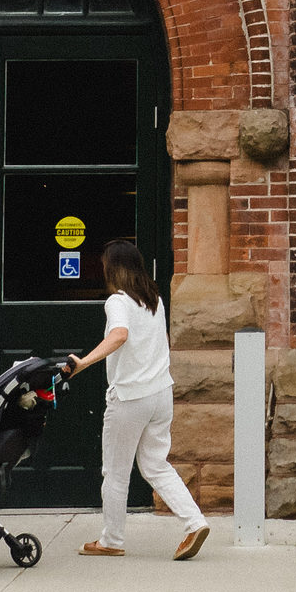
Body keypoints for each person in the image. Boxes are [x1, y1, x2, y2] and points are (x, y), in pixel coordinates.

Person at [61, 238, 208, 560]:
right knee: (156, 465)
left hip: (129, 398)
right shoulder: (154, 299)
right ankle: (194, 523)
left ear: (112, 268)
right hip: (161, 394)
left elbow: (119, 334)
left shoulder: (118, 302)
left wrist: (83, 363)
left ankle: (111, 540)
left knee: (115, 472)